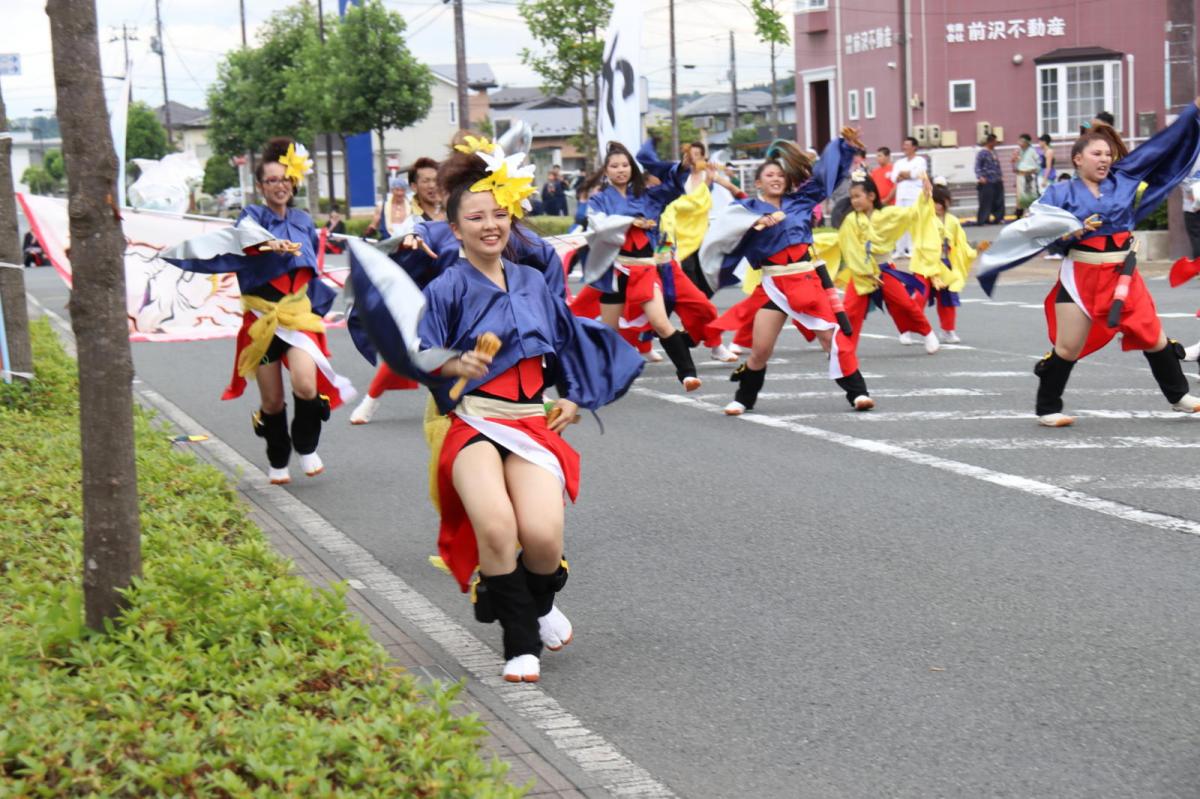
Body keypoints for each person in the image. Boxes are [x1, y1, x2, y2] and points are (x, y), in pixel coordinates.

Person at [345, 145, 643, 684]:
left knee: (544, 538)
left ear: (512, 217)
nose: (490, 225)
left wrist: (574, 397)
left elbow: (571, 341)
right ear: (454, 229)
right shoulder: (446, 287)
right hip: (473, 421)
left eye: (498, 214)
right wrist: (455, 360)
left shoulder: (533, 280)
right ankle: (519, 642)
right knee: (498, 528)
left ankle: (527, 599)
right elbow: (416, 348)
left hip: (531, 420)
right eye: (475, 218)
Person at [977, 104, 1200, 426]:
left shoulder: (1123, 180)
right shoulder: (1059, 193)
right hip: (1080, 275)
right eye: (1096, 154)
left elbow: (1159, 147)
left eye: (1107, 154)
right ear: (1078, 158)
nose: (1105, 159)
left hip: (1122, 273)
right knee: (1068, 346)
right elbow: (1041, 234)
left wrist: (1192, 113)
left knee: (1152, 336)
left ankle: (1178, 396)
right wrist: (1073, 232)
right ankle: (1048, 408)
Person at [162, 137, 355, 483]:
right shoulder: (251, 216)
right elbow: (244, 236)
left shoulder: (302, 220)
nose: (279, 186)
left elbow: (311, 265)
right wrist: (267, 243)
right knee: (272, 401)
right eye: (271, 180)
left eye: (284, 179)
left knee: (307, 385)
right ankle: (278, 458)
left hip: (297, 316)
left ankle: (306, 445)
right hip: (262, 321)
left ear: (293, 181)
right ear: (260, 185)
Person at [701, 132, 870, 414]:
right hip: (774, 285)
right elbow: (726, 231)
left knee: (831, 338)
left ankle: (858, 394)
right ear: (758, 182)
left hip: (806, 279)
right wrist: (756, 223)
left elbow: (824, 177)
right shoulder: (746, 209)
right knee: (761, 349)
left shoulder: (801, 200)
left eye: (780, 174)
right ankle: (744, 398)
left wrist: (845, 147)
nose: (776, 179)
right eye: (769, 175)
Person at [581, 140, 705, 390]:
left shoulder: (649, 196)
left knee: (660, 322)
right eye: (614, 166)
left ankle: (688, 373)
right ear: (605, 171)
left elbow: (673, 187)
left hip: (645, 269)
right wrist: (630, 222)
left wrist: (682, 166)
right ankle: (603, 377)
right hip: (614, 270)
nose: (620, 170)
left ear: (632, 168)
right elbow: (598, 225)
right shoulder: (600, 201)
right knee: (610, 329)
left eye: (625, 165)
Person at [825, 170, 941, 354]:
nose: (854, 200)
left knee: (904, 303)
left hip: (884, 268)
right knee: (850, 310)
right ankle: (844, 348)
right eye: (852, 197)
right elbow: (850, 248)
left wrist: (925, 195)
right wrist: (864, 270)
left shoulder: (887, 214)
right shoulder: (850, 221)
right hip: (862, 272)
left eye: (858, 196)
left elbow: (912, 214)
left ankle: (927, 332)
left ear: (871, 196)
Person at [908, 180, 985, 343]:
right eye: (935, 201)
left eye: (941, 202)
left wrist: (974, 251)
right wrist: (924, 195)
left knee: (948, 300)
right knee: (919, 296)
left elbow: (961, 243)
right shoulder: (924, 217)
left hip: (945, 265)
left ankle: (948, 330)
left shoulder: (952, 221)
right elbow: (915, 212)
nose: (938, 206)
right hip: (925, 264)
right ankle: (908, 328)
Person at [889, 136, 927, 257]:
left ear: (914, 147)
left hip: (914, 195)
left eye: (907, 145)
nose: (904, 147)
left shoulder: (920, 160)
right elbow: (894, 177)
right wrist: (905, 174)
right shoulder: (899, 162)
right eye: (904, 144)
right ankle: (899, 250)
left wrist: (905, 174)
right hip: (901, 195)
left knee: (913, 222)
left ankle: (912, 249)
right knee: (900, 222)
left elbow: (917, 174)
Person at [974, 134, 1005, 225]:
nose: (996, 144)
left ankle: (998, 218)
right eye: (994, 142)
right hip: (987, 180)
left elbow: (997, 165)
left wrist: (1001, 175)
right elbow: (977, 166)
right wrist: (980, 177)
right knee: (985, 201)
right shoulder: (982, 153)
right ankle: (983, 220)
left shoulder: (994, 152)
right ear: (990, 142)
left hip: (997, 180)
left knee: (999, 200)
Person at [1012, 134, 1041, 218]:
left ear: (1027, 142)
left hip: (1029, 174)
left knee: (1030, 194)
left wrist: (1035, 171)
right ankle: (1019, 213)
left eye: (1022, 141)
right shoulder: (1018, 151)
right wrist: (1014, 159)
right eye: (1019, 141)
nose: (1019, 143)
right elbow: (1014, 163)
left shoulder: (1032, 151)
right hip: (1020, 175)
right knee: (1019, 195)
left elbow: (1038, 162)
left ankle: (1031, 212)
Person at [409, 156, 446, 222]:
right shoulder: (410, 219)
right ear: (414, 186)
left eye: (435, 180)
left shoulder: (452, 212)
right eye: (425, 181)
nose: (432, 185)